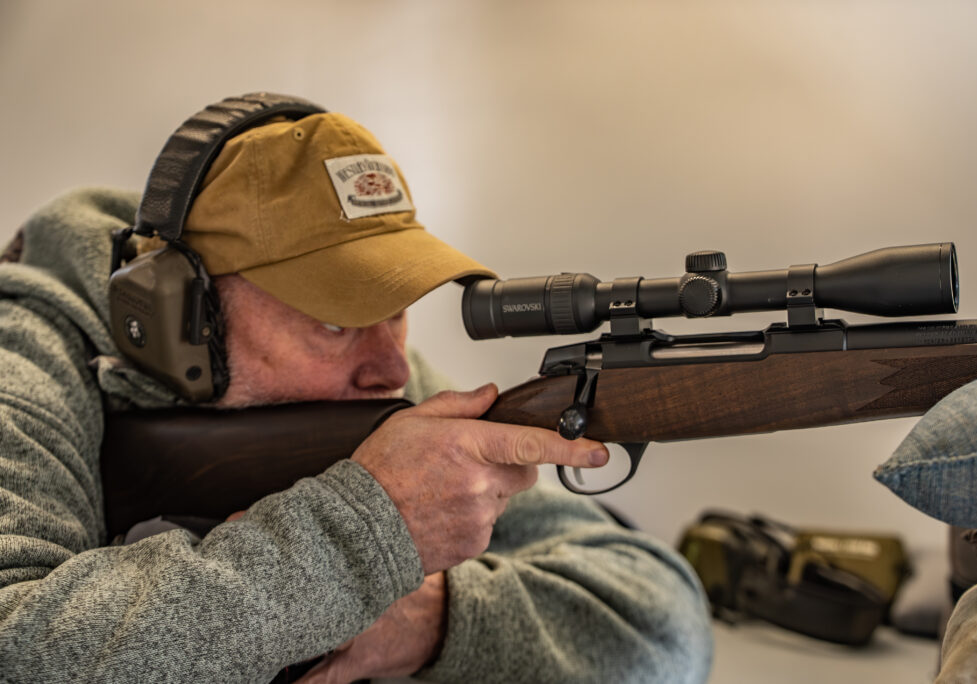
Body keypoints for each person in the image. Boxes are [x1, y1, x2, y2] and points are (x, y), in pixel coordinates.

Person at [0, 96, 712, 683]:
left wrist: (431, 622)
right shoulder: (23, 363)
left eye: (395, 311)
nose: (393, 371)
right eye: (335, 322)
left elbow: (665, 634)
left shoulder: (376, 381)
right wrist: (368, 532)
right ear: (179, 316)